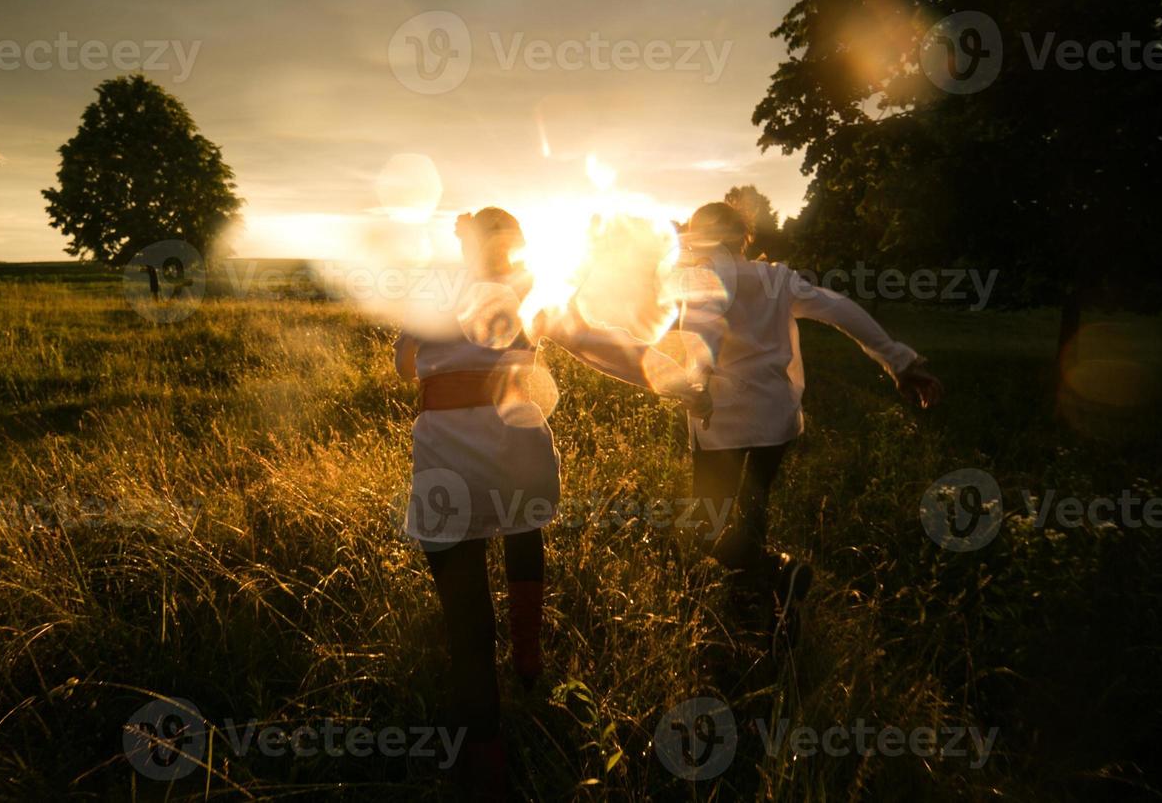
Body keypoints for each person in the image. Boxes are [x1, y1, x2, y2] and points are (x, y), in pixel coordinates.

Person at [394, 207, 705, 799]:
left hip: (447, 461)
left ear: (467, 247)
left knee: (466, 617)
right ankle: (529, 658)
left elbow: (404, 365)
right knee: (523, 529)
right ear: (516, 248)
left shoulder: (431, 292)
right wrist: (683, 383)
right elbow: (607, 348)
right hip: (518, 448)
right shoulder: (531, 292)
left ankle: (486, 761)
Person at [675, 202, 943, 610]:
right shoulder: (776, 280)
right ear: (743, 237)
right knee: (752, 507)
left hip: (720, 420)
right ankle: (760, 598)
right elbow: (840, 309)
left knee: (705, 524)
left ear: (700, 238)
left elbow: (703, 337)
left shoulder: (701, 282)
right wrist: (899, 361)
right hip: (773, 419)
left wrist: (697, 379)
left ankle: (771, 574)